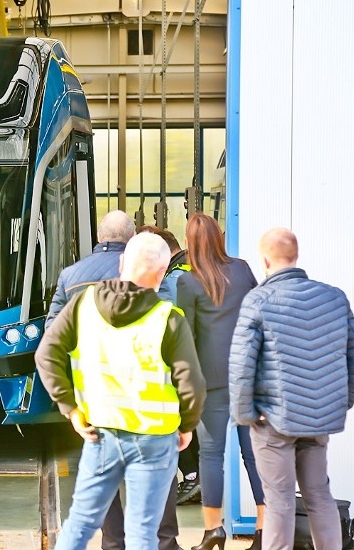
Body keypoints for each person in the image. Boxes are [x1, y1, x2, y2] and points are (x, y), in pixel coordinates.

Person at [36, 232, 206, 550]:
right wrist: (186, 426)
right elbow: (192, 384)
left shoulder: (83, 306)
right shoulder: (169, 319)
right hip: (154, 439)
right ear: (162, 274)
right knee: (145, 532)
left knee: (81, 524)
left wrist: (71, 408)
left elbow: (47, 355)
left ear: (121, 263)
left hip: (100, 432)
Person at [230, 227, 354, 550]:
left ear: (264, 260)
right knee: (319, 495)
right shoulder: (334, 297)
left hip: (273, 421)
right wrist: (339, 403)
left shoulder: (259, 300)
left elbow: (240, 365)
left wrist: (246, 415)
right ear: (296, 256)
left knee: (279, 502)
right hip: (318, 420)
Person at [176, 213, 265, 550]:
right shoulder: (242, 270)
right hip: (247, 377)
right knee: (254, 455)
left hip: (210, 380)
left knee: (211, 457)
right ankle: (262, 530)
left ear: (190, 243)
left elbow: (187, 336)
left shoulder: (189, 282)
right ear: (218, 237)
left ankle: (214, 531)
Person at [138, 225, 200, 506]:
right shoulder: (190, 268)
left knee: (178, 419)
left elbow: (162, 321)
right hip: (197, 356)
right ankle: (194, 476)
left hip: (176, 360)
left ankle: (192, 476)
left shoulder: (172, 279)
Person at [45, 210, 135, 330]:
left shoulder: (68, 274)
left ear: (98, 236)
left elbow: (53, 328)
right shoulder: (145, 272)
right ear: (133, 236)